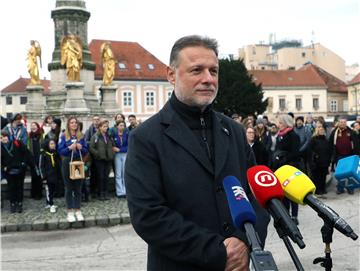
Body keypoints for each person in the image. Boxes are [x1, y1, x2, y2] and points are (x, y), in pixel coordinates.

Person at [125, 35, 270, 271]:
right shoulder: (146, 138)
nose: (208, 79)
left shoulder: (233, 131)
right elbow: (148, 215)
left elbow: (257, 197)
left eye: (214, 71)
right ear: (171, 75)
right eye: (196, 70)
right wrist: (218, 252)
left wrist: (244, 242)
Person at [272, 114, 301, 225]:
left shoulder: (293, 135)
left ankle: (294, 216)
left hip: (291, 167)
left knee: (292, 192)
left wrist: (283, 158)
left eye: (280, 123)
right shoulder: (280, 135)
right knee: (283, 193)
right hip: (281, 168)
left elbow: (295, 153)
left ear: (286, 123)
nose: (278, 125)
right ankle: (286, 215)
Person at [58, 117, 88, 222]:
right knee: (69, 187)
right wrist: (69, 148)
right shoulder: (64, 136)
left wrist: (81, 147)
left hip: (78, 162)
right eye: (72, 122)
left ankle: (78, 210)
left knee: (78, 187)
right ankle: (70, 211)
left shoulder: (81, 136)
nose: (74, 124)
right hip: (67, 162)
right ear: (68, 125)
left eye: (75, 122)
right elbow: (60, 150)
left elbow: (86, 150)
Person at [1, 130, 35, 213]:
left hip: (20, 169)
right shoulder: (1, 147)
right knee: (11, 187)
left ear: (8, 136)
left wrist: (23, 163)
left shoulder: (17, 143)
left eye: (5, 136)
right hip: (8, 170)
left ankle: (19, 203)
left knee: (19, 187)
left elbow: (26, 153)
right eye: (1, 138)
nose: (3, 139)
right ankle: (12, 203)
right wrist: (3, 167)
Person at [329, 116, 358, 194]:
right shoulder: (334, 132)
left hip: (349, 156)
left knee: (349, 173)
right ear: (338, 123)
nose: (342, 124)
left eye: (344, 122)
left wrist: (356, 155)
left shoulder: (351, 131)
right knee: (340, 173)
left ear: (346, 123)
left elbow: (356, 144)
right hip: (339, 156)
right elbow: (330, 144)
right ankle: (340, 188)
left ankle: (350, 188)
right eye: (341, 122)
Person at [89, 119, 114, 200]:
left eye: (107, 126)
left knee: (106, 176)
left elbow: (112, 145)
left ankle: (106, 193)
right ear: (100, 127)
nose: (106, 128)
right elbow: (91, 148)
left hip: (108, 159)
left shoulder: (108, 136)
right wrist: (98, 154)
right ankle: (100, 193)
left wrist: (112, 153)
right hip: (99, 159)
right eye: (104, 126)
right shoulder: (95, 136)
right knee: (101, 177)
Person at [39, 139, 61, 213]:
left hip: (55, 175)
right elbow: (41, 166)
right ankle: (51, 204)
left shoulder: (55, 153)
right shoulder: (44, 154)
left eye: (54, 144)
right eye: (51, 144)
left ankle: (50, 202)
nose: (53, 145)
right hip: (48, 176)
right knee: (49, 190)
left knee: (53, 190)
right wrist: (43, 177)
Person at [309, 126, 331, 196]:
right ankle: (318, 190)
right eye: (320, 130)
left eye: (322, 130)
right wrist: (314, 157)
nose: (321, 131)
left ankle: (323, 189)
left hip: (325, 161)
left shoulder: (326, 140)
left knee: (323, 176)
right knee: (317, 176)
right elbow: (310, 150)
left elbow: (328, 150)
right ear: (317, 131)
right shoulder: (313, 139)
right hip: (316, 161)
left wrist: (329, 161)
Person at [112, 120, 129, 198]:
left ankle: (125, 190)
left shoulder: (127, 134)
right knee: (118, 173)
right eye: (120, 125)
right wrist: (117, 149)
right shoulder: (114, 135)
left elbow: (129, 146)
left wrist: (120, 149)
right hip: (117, 155)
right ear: (117, 126)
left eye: (123, 125)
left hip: (125, 154)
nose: (122, 127)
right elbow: (113, 146)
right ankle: (119, 192)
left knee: (124, 173)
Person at [28, 122, 44, 200]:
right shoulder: (29, 137)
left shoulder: (41, 136)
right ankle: (33, 193)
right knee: (33, 176)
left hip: (40, 158)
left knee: (39, 177)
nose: (33, 127)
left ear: (37, 127)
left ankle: (39, 193)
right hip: (32, 159)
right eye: (32, 126)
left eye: (34, 126)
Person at [85, 115, 100, 198]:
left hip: (100, 155)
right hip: (92, 155)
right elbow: (86, 141)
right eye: (95, 120)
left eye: (97, 119)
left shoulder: (101, 130)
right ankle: (92, 190)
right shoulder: (89, 130)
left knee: (99, 174)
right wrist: (93, 145)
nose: (96, 121)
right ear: (92, 121)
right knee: (93, 173)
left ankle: (98, 190)